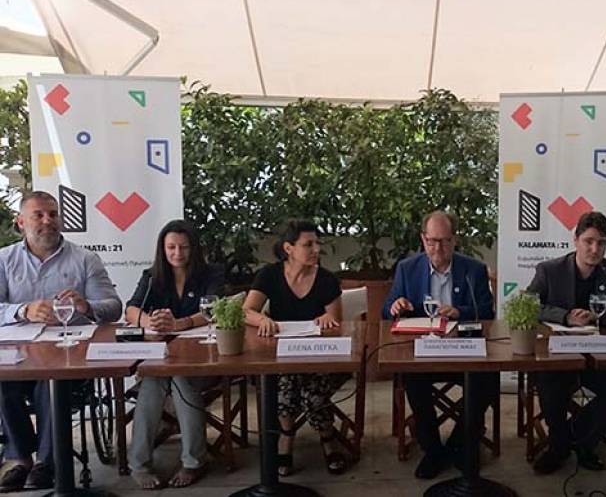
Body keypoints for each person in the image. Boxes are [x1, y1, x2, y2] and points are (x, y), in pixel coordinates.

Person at [0, 191, 121, 492]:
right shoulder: (4, 260)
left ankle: (48, 462)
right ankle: (18, 458)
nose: (48, 221)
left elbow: (114, 307)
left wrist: (87, 306)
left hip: (67, 355)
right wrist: (23, 310)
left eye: (53, 214)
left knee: (52, 378)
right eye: (38, 215)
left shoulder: (85, 259)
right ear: (21, 222)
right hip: (18, 354)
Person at [382, 211, 498, 480]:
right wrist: (396, 306)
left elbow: (487, 312)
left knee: (487, 378)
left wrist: (459, 312)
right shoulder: (407, 268)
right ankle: (433, 450)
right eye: (432, 241)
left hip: (463, 352)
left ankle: (461, 444)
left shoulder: (473, 269)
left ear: (454, 240)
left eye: (445, 241)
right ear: (423, 239)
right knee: (413, 379)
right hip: (424, 353)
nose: (438, 248)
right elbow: (386, 310)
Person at [526, 211, 606, 474]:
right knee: (549, 384)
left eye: (601, 243)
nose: (594, 249)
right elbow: (530, 305)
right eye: (588, 241)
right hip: (561, 356)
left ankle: (579, 440)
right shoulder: (550, 270)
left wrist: (599, 315)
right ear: (575, 240)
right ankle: (558, 448)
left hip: (601, 356)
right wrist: (565, 316)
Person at [242, 219, 351, 476]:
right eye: (308, 244)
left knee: (312, 395)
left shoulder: (326, 279)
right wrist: (262, 319)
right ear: (288, 248)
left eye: (317, 243)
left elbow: (336, 322)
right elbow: (246, 311)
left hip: (322, 358)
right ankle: (287, 437)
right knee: (285, 388)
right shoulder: (269, 275)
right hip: (283, 356)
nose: (316, 249)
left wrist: (327, 320)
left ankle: (328, 439)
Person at [125, 220, 224, 489]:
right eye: (171, 247)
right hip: (163, 356)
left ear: (194, 249)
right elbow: (131, 309)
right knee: (152, 381)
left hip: (203, 358)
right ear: (162, 249)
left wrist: (181, 324)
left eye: (183, 247)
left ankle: (193, 462)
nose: (177, 253)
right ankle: (139, 464)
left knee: (181, 380)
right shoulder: (152, 276)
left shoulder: (211, 274)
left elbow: (214, 309)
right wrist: (150, 322)